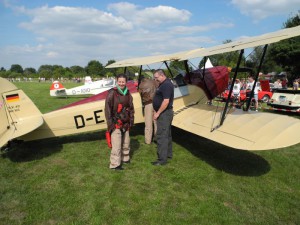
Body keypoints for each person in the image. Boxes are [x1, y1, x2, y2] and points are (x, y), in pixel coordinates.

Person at [105, 74, 134, 170]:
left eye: (123, 81)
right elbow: (107, 109)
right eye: (120, 81)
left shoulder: (128, 93)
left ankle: (125, 158)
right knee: (116, 145)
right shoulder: (112, 93)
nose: (121, 83)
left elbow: (131, 108)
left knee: (126, 142)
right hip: (115, 122)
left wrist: (131, 121)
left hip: (125, 122)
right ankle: (115, 164)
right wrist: (110, 124)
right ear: (117, 81)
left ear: (126, 82)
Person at [151, 69, 174, 166]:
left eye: (156, 78)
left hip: (164, 113)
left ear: (162, 75)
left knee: (161, 136)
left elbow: (166, 101)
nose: (155, 80)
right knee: (167, 134)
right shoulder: (163, 83)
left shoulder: (167, 85)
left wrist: (157, 113)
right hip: (164, 113)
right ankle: (168, 154)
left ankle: (162, 160)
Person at [138, 76, 158, 144]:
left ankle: (148, 140)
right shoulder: (155, 82)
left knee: (148, 123)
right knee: (156, 121)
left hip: (148, 104)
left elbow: (140, 95)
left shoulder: (141, 85)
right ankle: (157, 138)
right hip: (157, 102)